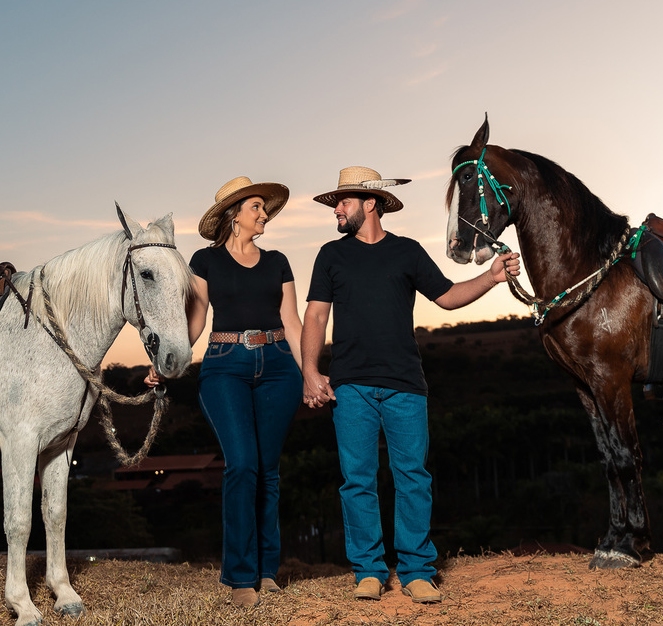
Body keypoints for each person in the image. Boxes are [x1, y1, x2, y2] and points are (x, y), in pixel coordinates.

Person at [300, 166, 519, 604]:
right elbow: (317, 316)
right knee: (357, 480)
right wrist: (309, 369)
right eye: (336, 203)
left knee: (412, 478)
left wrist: (492, 277)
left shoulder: (408, 253)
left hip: (404, 384)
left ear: (371, 203)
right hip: (351, 386)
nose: (336, 210)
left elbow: (448, 297)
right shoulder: (330, 255)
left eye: (343, 202)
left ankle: (417, 570)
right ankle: (368, 571)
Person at [146, 176, 303, 608]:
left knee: (268, 470)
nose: (264, 214)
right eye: (256, 207)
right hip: (224, 366)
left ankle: (267, 571)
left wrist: (310, 372)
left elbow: (291, 322)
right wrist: (166, 363)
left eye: (264, 208)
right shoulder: (205, 261)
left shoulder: (279, 262)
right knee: (242, 464)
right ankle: (239, 577)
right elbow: (193, 322)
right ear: (234, 215)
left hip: (278, 367)